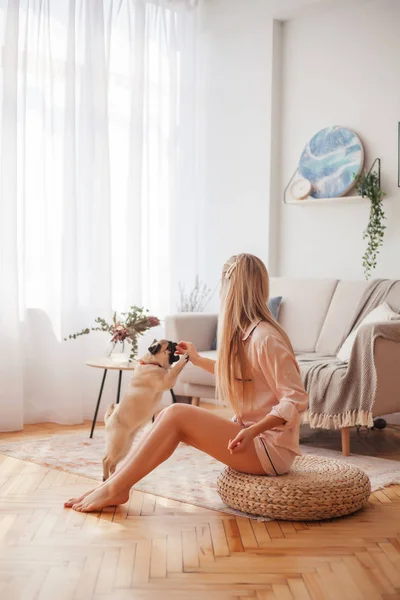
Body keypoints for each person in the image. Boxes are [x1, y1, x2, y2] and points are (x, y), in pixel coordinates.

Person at [65, 253, 308, 512]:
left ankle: (116, 488)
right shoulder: (247, 334)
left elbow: (295, 399)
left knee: (175, 413)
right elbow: (237, 374)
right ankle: (114, 483)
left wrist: (252, 431)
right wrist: (196, 358)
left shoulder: (265, 338)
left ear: (232, 290)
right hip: (253, 438)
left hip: (269, 449)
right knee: (168, 418)